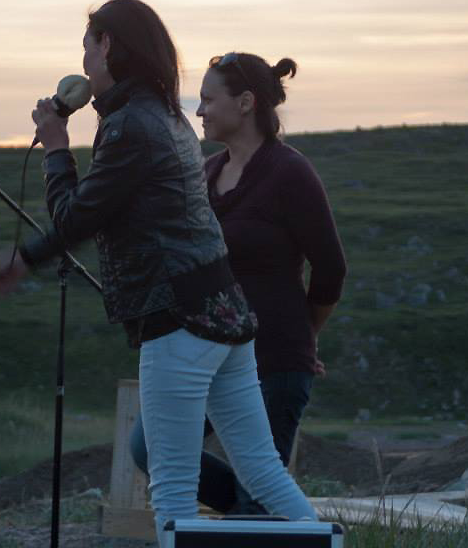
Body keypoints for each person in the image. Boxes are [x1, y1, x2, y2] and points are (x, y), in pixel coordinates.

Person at [0, 0, 317, 544]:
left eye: (87, 47)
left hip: (178, 322)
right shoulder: (164, 116)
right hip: (224, 316)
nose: (83, 61)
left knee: (173, 489)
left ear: (108, 44)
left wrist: (57, 148)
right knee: (265, 475)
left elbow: (76, 217)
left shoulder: (131, 125)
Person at [129, 51, 347, 513]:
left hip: (274, 361)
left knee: (258, 492)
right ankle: (255, 519)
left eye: (208, 99)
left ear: (245, 103)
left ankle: (260, 519)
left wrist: (306, 338)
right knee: (148, 448)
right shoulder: (206, 174)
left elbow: (331, 268)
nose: (200, 110)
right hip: (208, 355)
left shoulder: (290, 172)